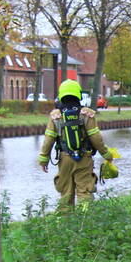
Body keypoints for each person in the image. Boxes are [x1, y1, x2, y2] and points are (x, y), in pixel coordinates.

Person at [39, 79, 116, 210]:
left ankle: (65, 223)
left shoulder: (56, 116)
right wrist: (106, 154)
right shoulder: (87, 114)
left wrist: (43, 159)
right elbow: (96, 137)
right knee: (85, 191)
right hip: (84, 158)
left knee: (66, 192)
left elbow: (48, 140)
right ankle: (84, 223)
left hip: (64, 159)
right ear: (78, 94)